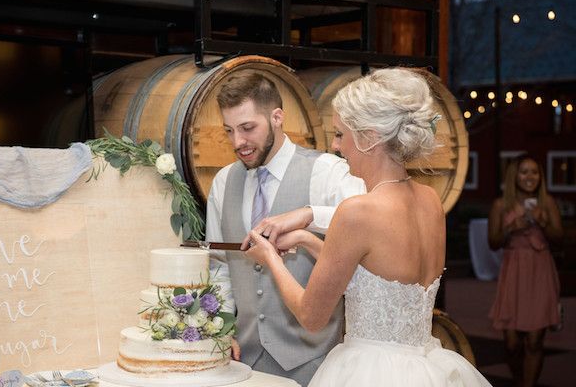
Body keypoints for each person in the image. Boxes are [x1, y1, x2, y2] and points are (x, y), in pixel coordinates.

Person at [244, 68, 492, 386]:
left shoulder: (358, 211)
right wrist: (306, 238)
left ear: (369, 138)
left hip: (371, 371)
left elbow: (312, 317)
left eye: (339, 134)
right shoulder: (430, 201)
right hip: (427, 366)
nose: (335, 146)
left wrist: (271, 259)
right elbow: (374, 276)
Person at [205, 70, 365, 386]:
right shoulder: (224, 182)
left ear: (277, 117)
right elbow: (219, 268)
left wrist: (309, 215)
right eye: (229, 130)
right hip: (243, 364)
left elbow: (367, 224)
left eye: (248, 128)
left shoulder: (326, 171)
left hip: (315, 364)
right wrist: (221, 327)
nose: (238, 142)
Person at [488, 154, 563, 387]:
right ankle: (520, 380)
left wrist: (543, 222)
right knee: (511, 343)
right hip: (513, 273)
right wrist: (511, 229)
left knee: (534, 341)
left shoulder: (547, 202)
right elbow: (493, 242)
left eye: (535, 172)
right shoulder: (501, 205)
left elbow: (559, 239)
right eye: (524, 172)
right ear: (514, 176)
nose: (530, 177)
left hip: (540, 271)